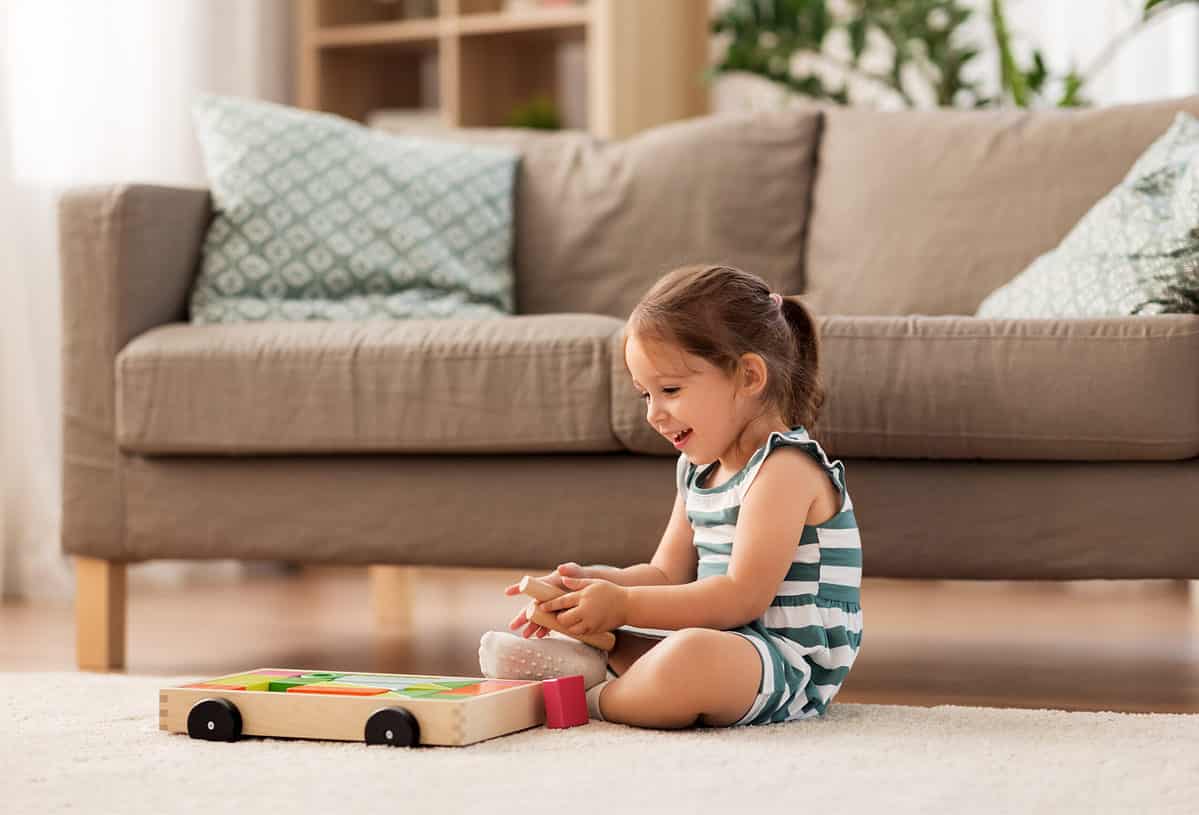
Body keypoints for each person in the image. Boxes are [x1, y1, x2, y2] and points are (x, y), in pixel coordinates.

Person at [478, 264, 863, 729]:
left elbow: (741, 598)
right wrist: (593, 587)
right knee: (634, 630)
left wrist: (622, 605)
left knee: (691, 657)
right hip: (725, 641)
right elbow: (663, 574)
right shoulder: (698, 470)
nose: (654, 415)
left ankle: (592, 695)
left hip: (787, 665)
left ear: (749, 376)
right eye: (645, 395)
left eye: (670, 390)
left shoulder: (785, 469)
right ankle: (599, 664)